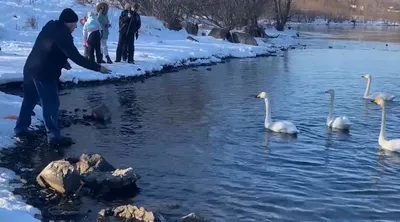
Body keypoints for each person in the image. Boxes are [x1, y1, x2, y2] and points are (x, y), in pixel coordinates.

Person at [14, 8, 111, 147]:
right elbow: (77, 58)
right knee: (51, 104)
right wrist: (98, 67)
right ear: (67, 22)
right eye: (74, 23)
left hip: (30, 67)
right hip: (43, 73)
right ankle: (54, 137)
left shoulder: (51, 25)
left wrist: (62, 61)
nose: (76, 26)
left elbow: (48, 46)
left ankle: (21, 128)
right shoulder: (63, 36)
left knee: (29, 100)